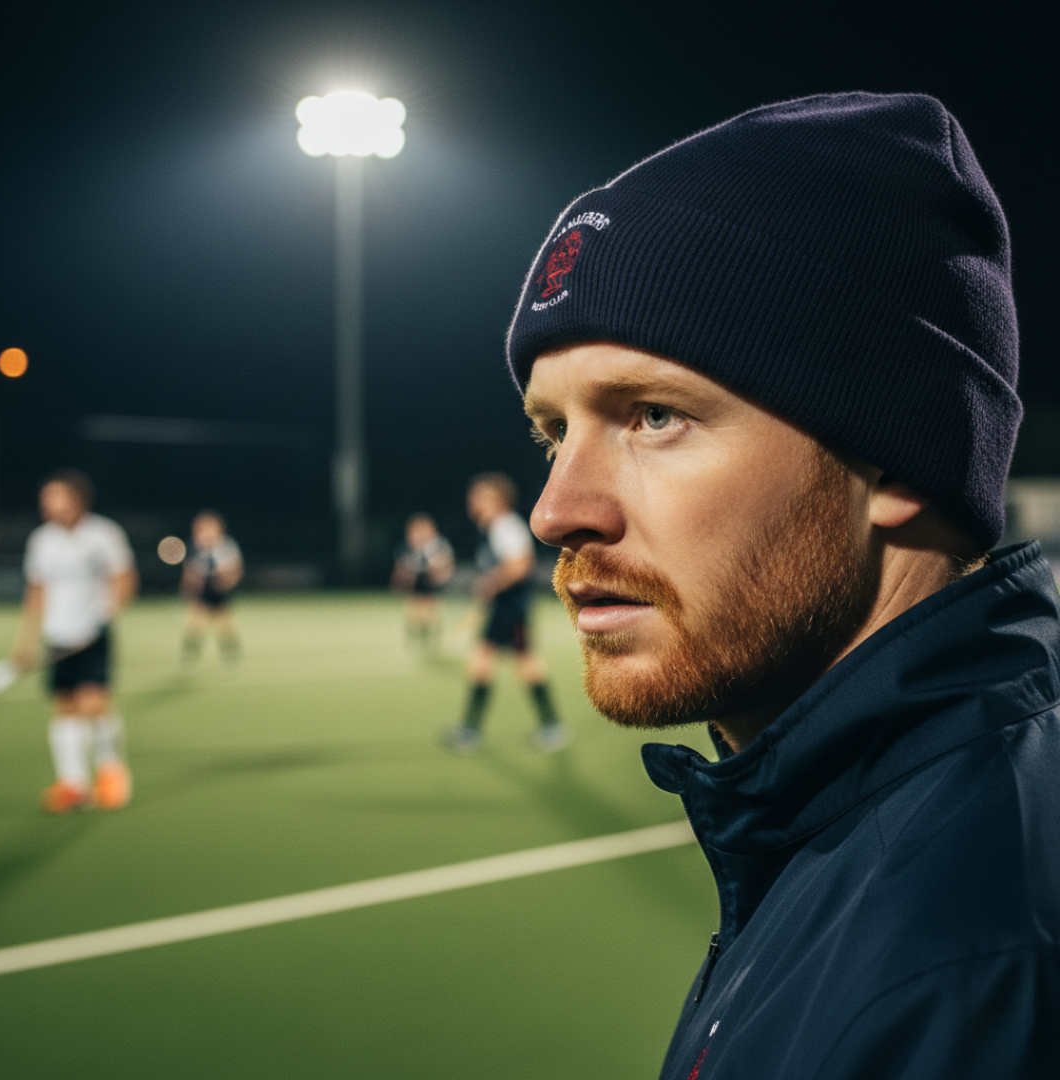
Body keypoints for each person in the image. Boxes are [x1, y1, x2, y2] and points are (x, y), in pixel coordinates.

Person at [505, 93, 1058, 1077]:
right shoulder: (849, 835)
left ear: (896, 463)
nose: (557, 510)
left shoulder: (961, 965)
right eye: (553, 432)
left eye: (654, 416)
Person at [13, 469, 137, 813]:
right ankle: (73, 784)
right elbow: (36, 591)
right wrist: (26, 640)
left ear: (77, 499)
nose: (46, 504)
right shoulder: (41, 540)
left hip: (92, 635)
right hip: (57, 637)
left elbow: (124, 580)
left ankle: (112, 774)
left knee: (94, 704)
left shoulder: (104, 534)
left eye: (54, 496)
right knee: (65, 709)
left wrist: (103, 618)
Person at [442, 472, 568, 752]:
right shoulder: (492, 528)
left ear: (496, 499)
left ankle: (549, 727)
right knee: (491, 661)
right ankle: (474, 729)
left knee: (519, 663)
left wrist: (491, 582)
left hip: (512, 607)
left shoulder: (505, 526)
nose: (472, 503)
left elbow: (521, 565)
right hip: (505, 606)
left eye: (478, 497)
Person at [179, 510, 243, 669]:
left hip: (220, 587)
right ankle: (189, 658)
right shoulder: (194, 546)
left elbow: (236, 568)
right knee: (195, 625)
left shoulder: (226, 546)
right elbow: (189, 570)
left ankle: (229, 657)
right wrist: (188, 586)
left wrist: (228, 580)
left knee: (225, 626)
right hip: (203, 589)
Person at [390, 513, 455, 652]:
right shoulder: (407, 546)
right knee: (414, 608)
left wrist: (440, 573)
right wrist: (400, 581)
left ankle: (428, 630)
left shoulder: (438, 545)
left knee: (429, 608)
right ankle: (416, 630)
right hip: (416, 580)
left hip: (431, 579)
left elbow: (447, 563)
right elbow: (401, 567)